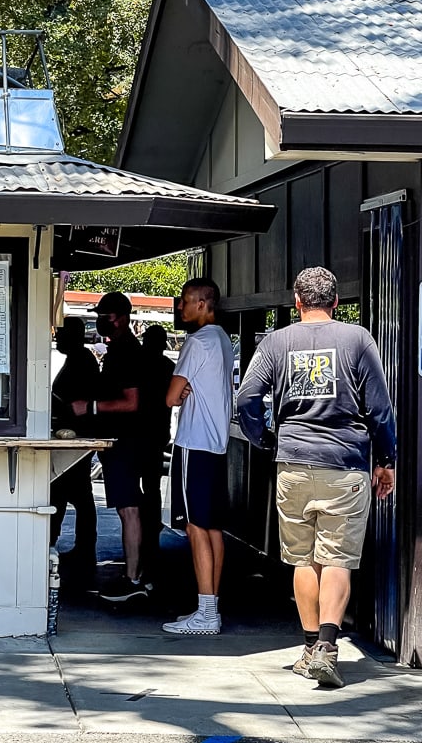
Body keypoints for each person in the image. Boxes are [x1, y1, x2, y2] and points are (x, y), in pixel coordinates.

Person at [236, 266, 396, 689]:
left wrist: (265, 438)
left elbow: (247, 397)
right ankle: (327, 647)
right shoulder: (357, 339)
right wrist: (386, 460)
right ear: (337, 302)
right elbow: (380, 408)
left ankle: (309, 649)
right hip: (344, 464)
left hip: (292, 462)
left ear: (297, 302)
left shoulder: (276, 341)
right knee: (337, 558)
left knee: (302, 558)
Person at [163, 278, 234, 635]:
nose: (181, 308)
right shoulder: (222, 339)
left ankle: (206, 614)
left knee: (194, 527)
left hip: (193, 442)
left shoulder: (197, 341)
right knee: (213, 527)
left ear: (203, 304)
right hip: (217, 443)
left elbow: (170, 397)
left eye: (186, 301)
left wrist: (181, 388)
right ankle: (211, 608)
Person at [73, 291, 146, 603]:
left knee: (129, 509)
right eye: (100, 315)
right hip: (121, 440)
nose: (102, 320)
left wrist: (89, 408)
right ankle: (134, 574)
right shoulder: (119, 350)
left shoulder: (126, 352)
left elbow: (131, 402)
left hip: (126, 441)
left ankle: (133, 578)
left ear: (122, 317)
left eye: (107, 315)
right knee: (126, 508)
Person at [50, 317, 100, 584]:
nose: (57, 338)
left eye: (62, 333)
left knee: (71, 493)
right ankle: (77, 547)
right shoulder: (78, 359)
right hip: (72, 433)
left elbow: (72, 400)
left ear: (76, 336)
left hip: (77, 434)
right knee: (71, 493)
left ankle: (75, 547)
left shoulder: (82, 360)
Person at [138, 324, 175, 588]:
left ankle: (141, 528)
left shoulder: (138, 364)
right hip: (157, 431)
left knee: (135, 486)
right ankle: (151, 527)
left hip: (136, 431)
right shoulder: (167, 367)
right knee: (151, 485)